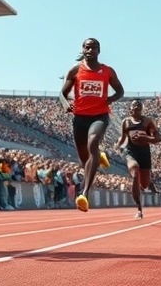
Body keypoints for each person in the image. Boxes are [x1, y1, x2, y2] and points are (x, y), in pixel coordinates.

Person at [59, 38, 124, 212]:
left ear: (98, 50)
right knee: (85, 159)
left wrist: (108, 100)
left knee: (93, 143)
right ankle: (99, 155)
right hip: (79, 118)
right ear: (83, 49)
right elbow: (62, 93)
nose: (90, 50)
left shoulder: (107, 71)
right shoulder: (75, 70)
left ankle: (84, 194)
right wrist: (66, 104)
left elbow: (120, 91)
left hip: (99, 116)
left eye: (93, 47)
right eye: (87, 47)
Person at [115, 99, 161, 219]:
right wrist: (117, 145)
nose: (134, 108)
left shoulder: (148, 121)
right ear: (129, 109)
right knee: (135, 173)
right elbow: (123, 137)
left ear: (141, 109)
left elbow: (159, 138)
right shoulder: (125, 122)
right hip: (131, 152)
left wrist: (145, 137)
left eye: (137, 107)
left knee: (144, 184)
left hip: (144, 153)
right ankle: (139, 208)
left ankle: (148, 183)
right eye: (132, 107)